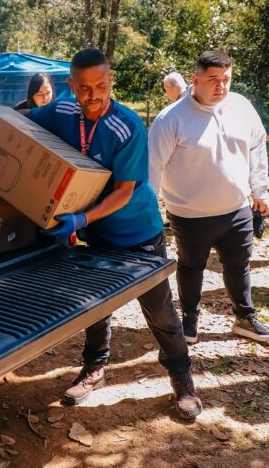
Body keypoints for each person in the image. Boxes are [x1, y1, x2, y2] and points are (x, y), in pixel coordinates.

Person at [29, 48, 201, 419]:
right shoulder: (61, 111)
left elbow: (124, 191)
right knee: (95, 310)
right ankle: (94, 370)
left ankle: (182, 381)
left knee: (160, 314)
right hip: (97, 237)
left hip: (138, 236)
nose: (93, 95)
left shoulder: (126, 125)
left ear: (111, 81)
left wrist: (79, 220)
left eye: (101, 86)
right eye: (84, 88)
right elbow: (21, 118)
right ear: (71, 86)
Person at [149, 50, 269, 344]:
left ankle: (245, 317)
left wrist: (261, 189)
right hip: (190, 214)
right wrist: (149, 214)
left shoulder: (242, 107)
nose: (221, 86)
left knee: (239, 264)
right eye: (213, 79)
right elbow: (152, 167)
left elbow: (258, 147)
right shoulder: (170, 119)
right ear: (195, 80)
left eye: (226, 79)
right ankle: (190, 319)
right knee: (191, 266)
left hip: (237, 209)